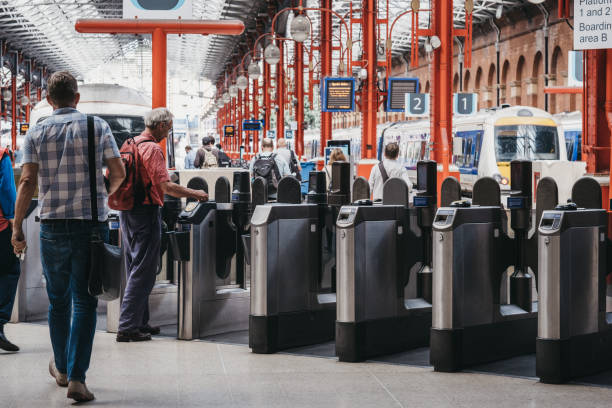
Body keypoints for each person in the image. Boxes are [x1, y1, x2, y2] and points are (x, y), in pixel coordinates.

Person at [11, 71, 127, 402]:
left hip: (51, 227)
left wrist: (18, 227)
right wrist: (103, 193)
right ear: (77, 98)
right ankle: (78, 379)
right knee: (85, 301)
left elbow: (27, 182)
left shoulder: (35, 132)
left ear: (49, 100)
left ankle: (61, 368)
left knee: (58, 301)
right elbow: (118, 173)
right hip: (90, 226)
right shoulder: (97, 126)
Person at [117, 108, 208, 344]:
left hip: (126, 211)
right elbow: (166, 187)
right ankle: (127, 326)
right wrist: (195, 193)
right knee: (144, 270)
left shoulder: (130, 143)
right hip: (145, 212)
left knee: (134, 267)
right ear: (160, 125)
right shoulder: (153, 148)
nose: (169, 131)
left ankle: (139, 321)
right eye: (168, 127)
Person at [0, 145, 18, 352]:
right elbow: (6, 189)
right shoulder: (1, 155)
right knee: (9, 271)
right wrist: (13, 218)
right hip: (1, 226)